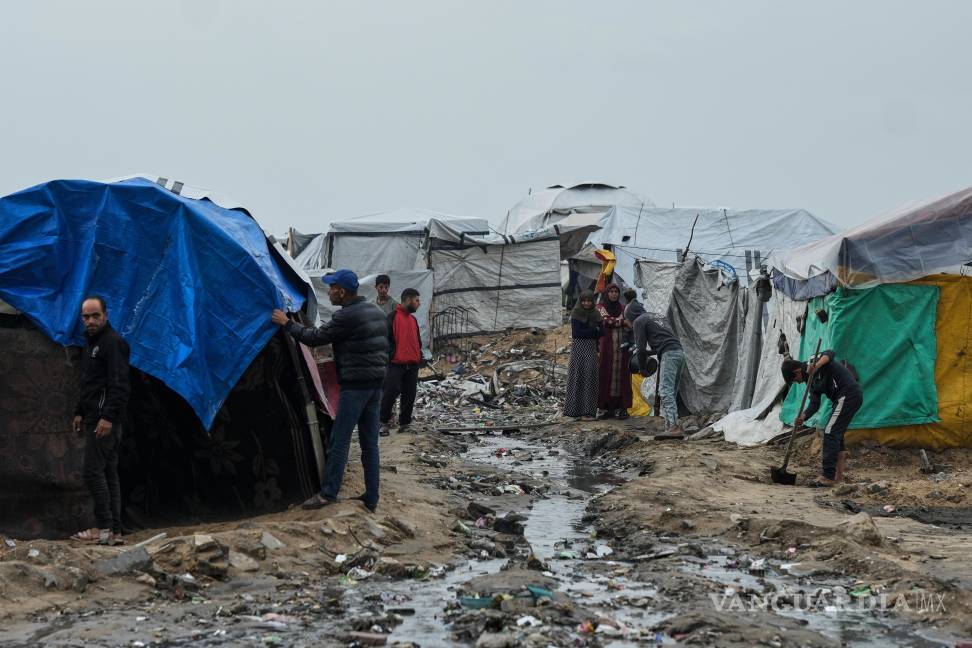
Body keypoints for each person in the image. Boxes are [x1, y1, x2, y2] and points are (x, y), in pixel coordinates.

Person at [272, 269, 388, 513]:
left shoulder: (346, 316)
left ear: (342, 291)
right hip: (376, 385)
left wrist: (287, 323)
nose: (329, 292)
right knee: (370, 443)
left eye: (332, 288)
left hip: (355, 387)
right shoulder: (376, 312)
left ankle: (328, 493)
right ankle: (372, 497)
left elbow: (315, 337)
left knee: (339, 440)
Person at [71, 296, 130, 545]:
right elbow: (90, 382)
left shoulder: (112, 342)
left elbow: (119, 385)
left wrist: (107, 417)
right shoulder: (90, 343)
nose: (91, 321)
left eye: (95, 315)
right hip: (94, 416)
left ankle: (104, 528)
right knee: (108, 473)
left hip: (104, 421)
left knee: (93, 472)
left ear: (106, 315)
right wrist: (79, 411)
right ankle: (113, 531)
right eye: (86, 317)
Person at [782, 350, 863, 487]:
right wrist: (803, 417)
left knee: (830, 432)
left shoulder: (812, 361)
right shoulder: (810, 382)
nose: (798, 382)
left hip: (848, 394)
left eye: (795, 380)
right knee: (837, 436)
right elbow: (814, 404)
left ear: (797, 371)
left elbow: (830, 353)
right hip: (841, 399)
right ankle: (838, 479)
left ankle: (828, 476)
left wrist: (816, 366)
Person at [632, 312, 686, 436]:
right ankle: (669, 426)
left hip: (669, 355)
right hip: (679, 353)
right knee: (671, 392)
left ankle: (673, 427)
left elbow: (640, 349)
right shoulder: (657, 316)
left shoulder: (638, 321)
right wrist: (649, 353)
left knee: (665, 391)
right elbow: (665, 341)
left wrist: (642, 368)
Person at [380, 288, 423, 435]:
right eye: (416, 300)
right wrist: (390, 357)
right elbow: (385, 340)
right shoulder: (392, 317)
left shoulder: (413, 320)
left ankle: (405, 423)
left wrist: (418, 357)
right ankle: (383, 423)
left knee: (409, 395)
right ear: (408, 300)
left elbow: (417, 340)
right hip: (395, 364)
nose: (419, 303)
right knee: (389, 394)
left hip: (412, 364)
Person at [563, 291, 602, 420]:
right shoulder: (576, 313)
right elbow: (577, 333)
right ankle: (574, 411)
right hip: (578, 351)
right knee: (577, 378)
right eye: (584, 300)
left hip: (591, 350)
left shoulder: (596, 314)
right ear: (580, 301)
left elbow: (602, 332)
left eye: (589, 301)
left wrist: (591, 332)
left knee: (590, 379)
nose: (586, 303)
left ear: (592, 302)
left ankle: (588, 412)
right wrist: (593, 331)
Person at [595, 284, 633, 419]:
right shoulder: (600, 307)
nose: (614, 294)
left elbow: (631, 323)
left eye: (616, 291)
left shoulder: (623, 308)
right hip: (607, 347)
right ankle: (606, 408)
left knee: (623, 376)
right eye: (611, 291)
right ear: (607, 293)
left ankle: (622, 408)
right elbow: (606, 321)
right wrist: (623, 322)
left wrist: (625, 323)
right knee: (606, 373)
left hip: (623, 349)